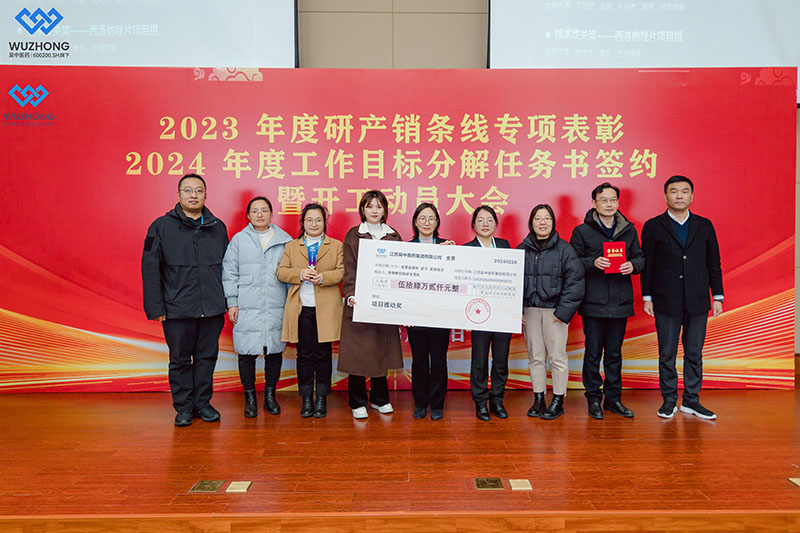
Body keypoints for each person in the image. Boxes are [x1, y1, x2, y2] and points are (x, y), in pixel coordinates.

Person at [141, 173, 228, 427]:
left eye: (198, 191)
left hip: (211, 308)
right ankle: (183, 407)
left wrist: (227, 301)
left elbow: (229, 268)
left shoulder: (217, 227)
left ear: (206, 195)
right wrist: (155, 307)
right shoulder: (160, 226)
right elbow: (150, 268)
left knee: (206, 358)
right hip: (176, 308)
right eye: (188, 190)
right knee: (180, 359)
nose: (193, 195)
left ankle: (203, 403)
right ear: (178, 195)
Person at [641, 175, 723, 420]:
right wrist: (647, 296)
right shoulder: (653, 226)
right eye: (674, 191)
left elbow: (713, 262)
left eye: (684, 191)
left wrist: (717, 296)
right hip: (665, 299)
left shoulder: (704, 225)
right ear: (666, 196)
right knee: (667, 352)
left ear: (692, 196)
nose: (679, 195)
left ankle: (692, 400)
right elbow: (647, 265)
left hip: (697, 298)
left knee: (694, 352)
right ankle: (669, 399)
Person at [570, 183, 644, 420]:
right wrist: (593, 262)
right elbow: (572, 262)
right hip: (594, 302)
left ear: (618, 203)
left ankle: (613, 399)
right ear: (594, 203)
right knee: (593, 352)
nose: (609, 204)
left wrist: (633, 266)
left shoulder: (629, 230)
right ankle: (593, 398)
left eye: (613, 200)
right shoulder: (582, 231)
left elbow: (641, 258)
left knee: (614, 353)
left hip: (620, 302)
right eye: (604, 200)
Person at [222, 197, 291, 418]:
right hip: (247, 304)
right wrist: (232, 302)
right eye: (255, 211)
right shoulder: (239, 240)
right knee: (246, 352)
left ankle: (270, 396)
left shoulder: (285, 240)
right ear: (248, 215)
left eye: (264, 210)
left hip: (276, 303)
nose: (260, 215)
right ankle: (250, 398)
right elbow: (229, 272)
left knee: (274, 351)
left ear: (271, 214)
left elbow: (291, 274)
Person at [337, 190, 404, 419]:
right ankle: (357, 401)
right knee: (357, 352)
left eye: (379, 206)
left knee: (380, 351)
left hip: (384, 304)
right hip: (358, 302)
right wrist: (350, 294)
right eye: (370, 206)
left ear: (385, 210)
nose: (374, 211)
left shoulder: (393, 236)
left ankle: (379, 398)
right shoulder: (353, 235)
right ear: (362, 210)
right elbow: (349, 269)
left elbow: (401, 269)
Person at [277, 203, 344, 418]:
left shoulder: (336, 245)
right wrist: (300, 274)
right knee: (304, 355)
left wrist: (323, 277)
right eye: (309, 220)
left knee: (324, 355)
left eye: (318, 220)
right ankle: (306, 399)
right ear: (303, 222)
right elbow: (281, 272)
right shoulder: (291, 246)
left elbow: (341, 272)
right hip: (301, 308)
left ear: (324, 222)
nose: (314, 224)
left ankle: (322, 398)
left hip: (326, 308)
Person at [518, 204, 584, 420]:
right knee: (535, 357)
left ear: (553, 222)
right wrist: (517, 310)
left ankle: (558, 400)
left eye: (546, 218)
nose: (542, 222)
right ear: (531, 222)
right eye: (538, 218)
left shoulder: (565, 250)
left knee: (557, 357)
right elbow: (513, 283)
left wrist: (563, 312)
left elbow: (575, 283)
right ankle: (538, 398)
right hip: (530, 311)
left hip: (555, 313)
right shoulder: (521, 249)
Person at [463, 205, 513, 422]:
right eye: (480, 220)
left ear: (496, 224)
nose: (485, 224)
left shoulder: (504, 246)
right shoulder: (466, 249)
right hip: (478, 314)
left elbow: (513, 280)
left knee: (501, 359)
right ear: (473, 225)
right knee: (479, 359)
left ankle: (497, 399)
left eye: (490, 220)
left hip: (503, 313)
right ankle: (480, 401)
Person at [406, 203, 455, 421]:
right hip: (415, 315)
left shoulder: (447, 247)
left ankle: (437, 403)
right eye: (422, 218)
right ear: (415, 222)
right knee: (419, 361)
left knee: (438, 361)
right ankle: (420, 403)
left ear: (437, 223)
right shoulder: (406, 248)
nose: (427, 223)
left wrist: (454, 254)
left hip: (440, 314)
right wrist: (404, 313)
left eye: (431, 219)